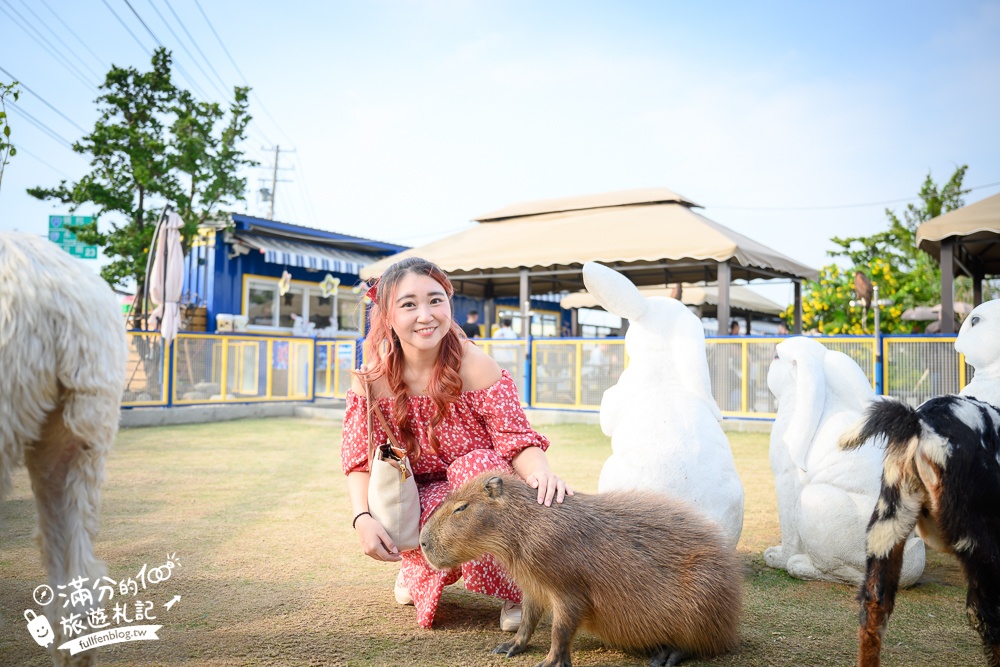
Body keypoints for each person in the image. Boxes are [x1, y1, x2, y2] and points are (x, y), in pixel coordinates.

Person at [341, 257, 573, 631]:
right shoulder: (372, 380)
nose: (425, 315)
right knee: (389, 489)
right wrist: (361, 518)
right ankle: (413, 565)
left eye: (436, 300)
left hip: (482, 486)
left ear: (449, 304)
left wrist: (542, 473)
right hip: (415, 493)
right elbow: (358, 462)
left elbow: (515, 439)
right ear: (386, 314)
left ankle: (516, 589)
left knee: (475, 467)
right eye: (409, 304)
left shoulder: (474, 364)